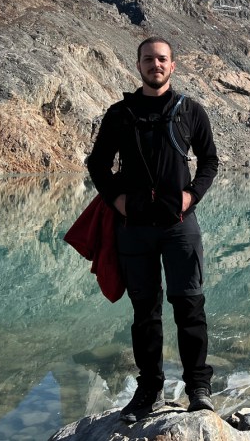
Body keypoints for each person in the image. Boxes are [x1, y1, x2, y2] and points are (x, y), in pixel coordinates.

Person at [86, 36, 219, 422]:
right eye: (148, 59)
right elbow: (98, 164)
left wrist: (192, 196)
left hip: (180, 226)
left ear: (172, 66)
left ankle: (198, 387)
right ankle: (149, 389)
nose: (155, 65)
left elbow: (209, 161)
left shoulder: (191, 111)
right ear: (139, 65)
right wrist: (116, 200)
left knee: (190, 305)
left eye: (162, 59)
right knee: (145, 312)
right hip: (135, 228)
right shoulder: (119, 113)